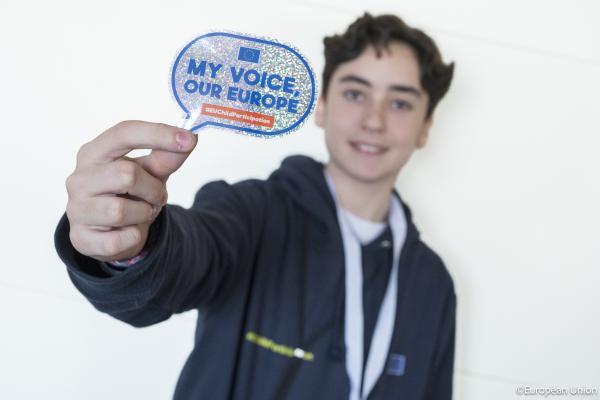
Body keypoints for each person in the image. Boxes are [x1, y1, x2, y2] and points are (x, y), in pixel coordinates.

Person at [54, 13, 456, 400]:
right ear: (322, 107)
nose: (374, 121)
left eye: (400, 103)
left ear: (426, 127)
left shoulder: (432, 284)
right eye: (355, 93)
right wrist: (133, 245)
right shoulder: (251, 214)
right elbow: (184, 260)